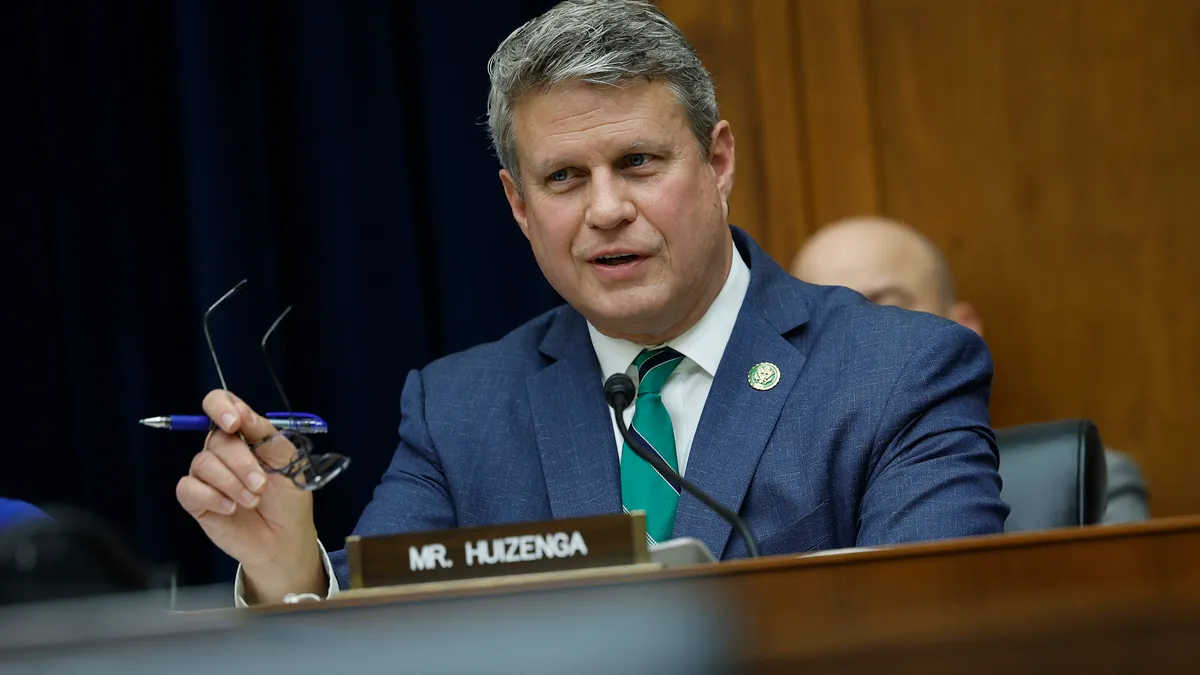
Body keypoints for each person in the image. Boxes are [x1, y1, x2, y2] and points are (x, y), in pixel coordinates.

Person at [175, 0, 1008, 606]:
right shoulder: (457, 409)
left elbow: (937, 628)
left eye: (639, 161)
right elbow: (385, 639)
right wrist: (292, 571)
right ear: (518, 204)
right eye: (565, 177)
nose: (606, 208)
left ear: (717, 163)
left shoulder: (898, 369)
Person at [791, 215, 1150, 524]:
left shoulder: (1090, 479)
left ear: (964, 327)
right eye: (829, 324)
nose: (858, 343)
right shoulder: (778, 506)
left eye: (886, 312)